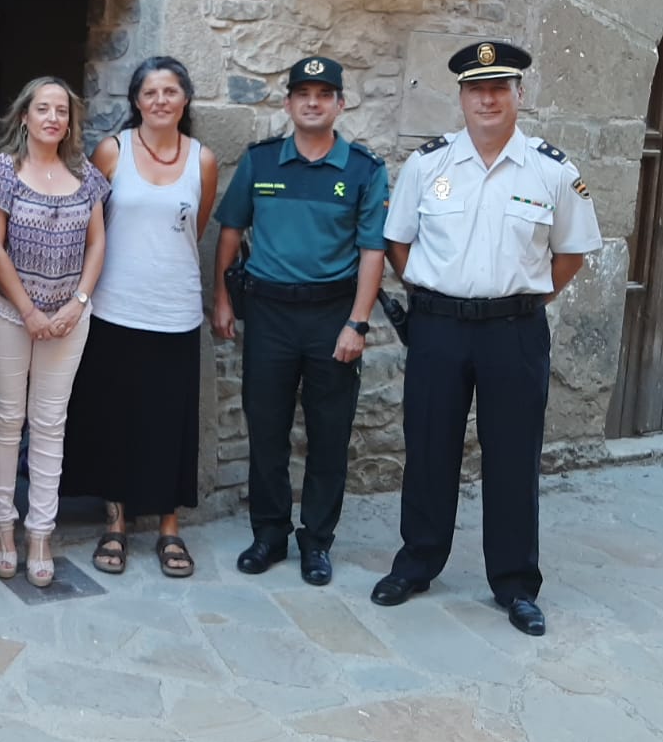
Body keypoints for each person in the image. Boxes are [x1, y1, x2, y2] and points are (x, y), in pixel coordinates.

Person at [371, 41, 601, 636]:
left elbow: (573, 252)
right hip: (439, 328)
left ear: (519, 95)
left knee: (513, 457)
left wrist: (527, 296)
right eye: (477, 89)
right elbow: (399, 243)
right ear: (462, 98)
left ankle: (516, 584)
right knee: (428, 448)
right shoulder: (429, 165)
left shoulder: (552, 171)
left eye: (500, 88)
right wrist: (435, 294)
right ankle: (417, 563)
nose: (488, 98)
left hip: (514, 331)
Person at [211, 56, 388, 587]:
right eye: (302, 93)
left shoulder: (362, 169)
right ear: (287, 104)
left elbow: (373, 250)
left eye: (324, 93)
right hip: (267, 314)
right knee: (266, 428)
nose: (313, 102)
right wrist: (222, 298)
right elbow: (229, 232)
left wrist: (357, 324)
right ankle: (268, 535)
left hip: (332, 314)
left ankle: (316, 541)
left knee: (329, 434)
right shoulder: (261, 163)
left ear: (340, 104)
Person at [61, 56, 218, 578]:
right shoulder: (113, 151)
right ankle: (116, 522)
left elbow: (192, 231)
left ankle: (170, 526)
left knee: (171, 420)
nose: (160, 101)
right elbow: (92, 223)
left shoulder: (203, 160)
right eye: (150, 93)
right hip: (115, 305)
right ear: (135, 101)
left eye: (170, 91)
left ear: (185, 100)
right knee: (116, 415)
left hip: (174, 308)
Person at [0, 77, 109, 587]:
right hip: (7, 313)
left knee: (51, 423)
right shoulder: (1, 171)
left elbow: (97, 244)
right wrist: (29, 309)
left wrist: (77, 301)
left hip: (70, 317)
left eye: (62, 111)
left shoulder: (86, 174)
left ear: (69, 122)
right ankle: (3, 527)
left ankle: (40, 532)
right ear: (24, 116)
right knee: (7, 419)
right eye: (43, 109)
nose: (53, 118)